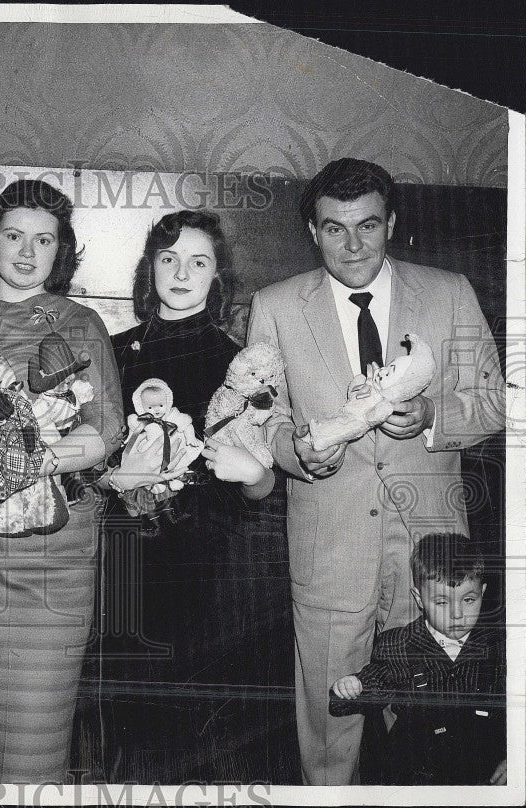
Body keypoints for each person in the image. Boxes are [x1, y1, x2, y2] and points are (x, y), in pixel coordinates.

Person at [246, 158, 505, 785]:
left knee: (435, 720)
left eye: (367, 226)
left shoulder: (449, 293)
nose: (353, 245)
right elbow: (258, 420)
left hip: (434, 554)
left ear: (391, 223)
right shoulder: (276, 307)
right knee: (333, 718)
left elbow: (497, 400)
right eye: (334, 229)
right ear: (312, 230)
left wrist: (430, 417)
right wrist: (294, 452)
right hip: (329, 550)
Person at [0, 179, 125, 783]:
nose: (27, 251)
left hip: (51, 553)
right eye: (14, 235)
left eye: (45, 238)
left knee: (36, 729)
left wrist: (27, 460)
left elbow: (105, 434)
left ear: (62, 249)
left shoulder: (82, 322)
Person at [98, 210, 293, 782]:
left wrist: (254, 471)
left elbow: (264, 486)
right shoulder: (112, 350)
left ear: (217, 277)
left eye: (198, 261)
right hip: (124, 556)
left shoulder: (239, 363)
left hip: (210, 563)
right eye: (168, 258)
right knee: (122, 707)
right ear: (149, 268)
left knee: (195, 723)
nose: (181, 273)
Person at [329, 533, 505, 785]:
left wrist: (515, 757)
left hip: (481, 768)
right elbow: (375, 682)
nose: (457, 614)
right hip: (415, 770)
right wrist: (352, 687)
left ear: (482, 592)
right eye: (442, 602)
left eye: (468, 600)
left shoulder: (497, 645)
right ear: (419, 598)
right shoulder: (400, 644)